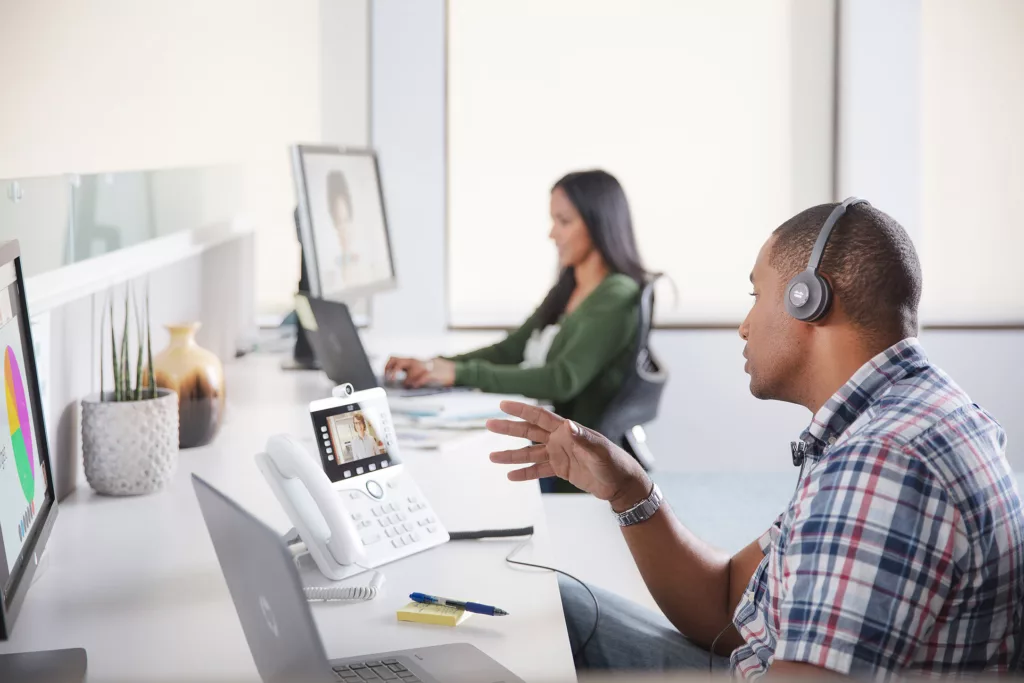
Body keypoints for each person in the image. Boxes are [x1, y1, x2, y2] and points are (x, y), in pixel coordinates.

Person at [486, 201, 1024, 678]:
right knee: (559, 605)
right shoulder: (895, 418)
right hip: (754, 661)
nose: (744, 326)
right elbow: (724, 605)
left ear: (806, 298)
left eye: (755, 294)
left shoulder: (883, 463)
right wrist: (631, 490)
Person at [385, 169, 649, 431]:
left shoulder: (616, 295)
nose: (552, 234)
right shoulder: (571, 285)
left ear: (598, 223)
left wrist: (460, 373)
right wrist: (437, 365)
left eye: (564, 221)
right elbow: (510, 350)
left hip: (572, 459)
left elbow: (562, 380)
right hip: (545, 434)